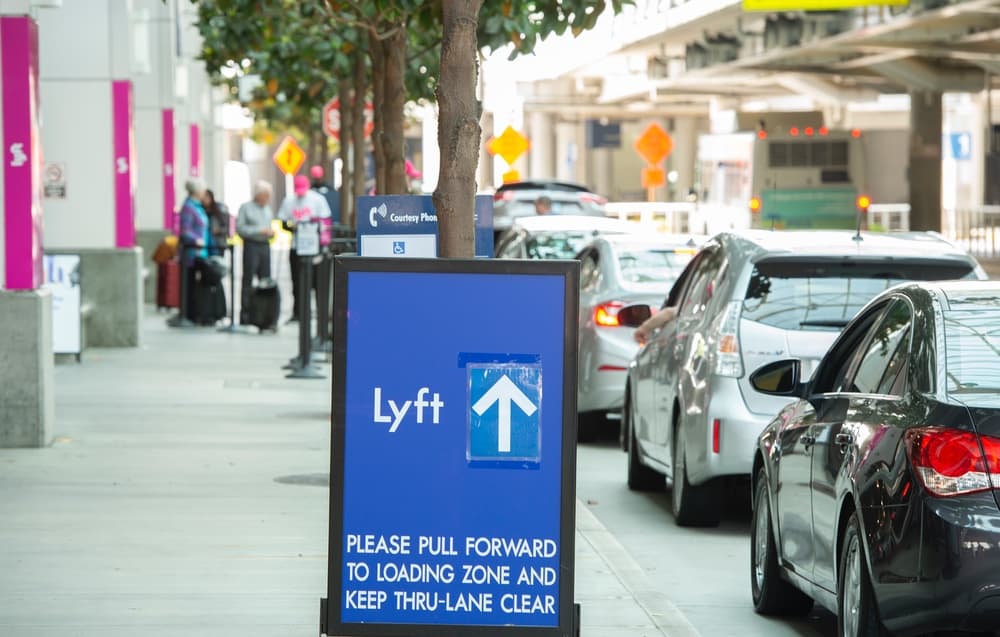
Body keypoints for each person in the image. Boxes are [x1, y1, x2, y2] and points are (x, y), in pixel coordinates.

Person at [278, 174, 332, 323]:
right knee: (297, 280)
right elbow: (283, 222)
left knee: (315, 282)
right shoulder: (289, 201)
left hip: (314, 246)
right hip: (297, 246)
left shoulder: (317, 200)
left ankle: (319, 314)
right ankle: (298, 312)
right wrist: (293, 228)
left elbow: (326, 221)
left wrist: (323, 244)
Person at [236, 180, 275, 325]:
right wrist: (259, 231)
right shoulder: (246, 208)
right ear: (259, 195)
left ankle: (265, 315)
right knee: (248, 280)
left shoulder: (268, 209)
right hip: (251, 246)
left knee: (266, 281)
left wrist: (271, 233)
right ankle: (245, 315)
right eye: (266, 195)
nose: (268, 199)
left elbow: (270, 226)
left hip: (265, 245)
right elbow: (240, 229)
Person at [178, 179, 209, 322]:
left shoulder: (198, 207)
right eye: (202, 190)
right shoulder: (188, 207)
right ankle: (188, 314)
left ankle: (197, 313)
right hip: (191, 253)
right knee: (189, 284)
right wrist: (196, 240)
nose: (204, 193)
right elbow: (185, 230)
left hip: (202, 252)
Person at [203, 189, 230, 254]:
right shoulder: (200, 210)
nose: (205, 199)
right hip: (205, 243)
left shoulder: (220, 209)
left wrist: (218, 231)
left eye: (207, 197)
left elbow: (226, 228)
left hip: (218, 243)